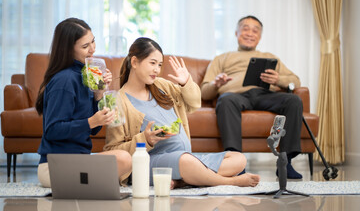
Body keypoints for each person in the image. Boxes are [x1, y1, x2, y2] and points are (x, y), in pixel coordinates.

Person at [103, 37, 260, 188]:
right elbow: (113, 150)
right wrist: (145, 139)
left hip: (183, 156)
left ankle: (182, 181)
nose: (157, 70)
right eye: (152, 63)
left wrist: (186, 82)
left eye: (159, 65)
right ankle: (230, 182)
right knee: (187, 162)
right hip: (151, 162)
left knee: (238, 158)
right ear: (135, 62)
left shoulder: (162, 86)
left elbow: (194, 104)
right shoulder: (118, 101)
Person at [201, 15, 303, 179]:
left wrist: (279, 80)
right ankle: (236, 163)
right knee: (226, 99)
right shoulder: (222, 58)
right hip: (235, 97)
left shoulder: (270, 57)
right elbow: (204, 92)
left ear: (260, 37)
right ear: (236, 33)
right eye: (245, 28)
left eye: (255, 30)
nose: (250, 33)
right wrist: (216, 84)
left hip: (265, 95)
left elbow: (295, 81)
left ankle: (285, 162)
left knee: (293, 100)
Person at [35, 18, 132, 188]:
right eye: (85, 46)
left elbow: (93, 130)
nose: (92, 49)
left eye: (93, 41)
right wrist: (91, 121)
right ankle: (89, 185)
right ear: (68, 50)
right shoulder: (64, 80)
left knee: (125, 158)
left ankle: (86, 185)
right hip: (54, 166)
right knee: (123, 158)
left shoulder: (84, 75)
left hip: (78, 160)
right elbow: (52, 130)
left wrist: (99, 94)